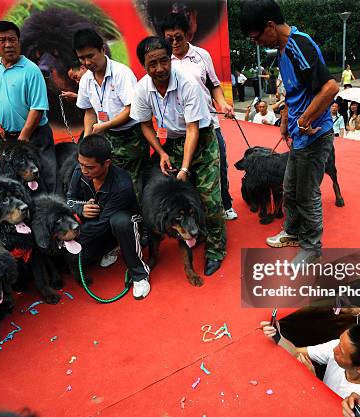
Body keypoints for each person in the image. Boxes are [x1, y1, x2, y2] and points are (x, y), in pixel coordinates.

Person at [241, 0, 339, 262]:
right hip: (298, 135)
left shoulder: (299, 46)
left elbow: (330, 88)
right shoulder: (283, 51)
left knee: (307, 193)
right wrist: (286, 120)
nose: (257, 43)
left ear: (270, 27)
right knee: (290, 188)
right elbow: (294, 92)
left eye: (256, 37)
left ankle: (311, 246)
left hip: (314, 136)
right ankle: (293, 232)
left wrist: (305, 120)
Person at [129, 36, 226, 276]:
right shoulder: (142, 89)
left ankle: (215, 249)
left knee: (208, 199)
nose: (160, 68)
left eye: (164, 61)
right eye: (153, 63)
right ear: (144, 65)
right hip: (171, 142)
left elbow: (193, 128)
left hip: (201, 141)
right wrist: (161, 152)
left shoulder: (188, 84)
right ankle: (193, 231)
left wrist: (184, 168)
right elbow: (145, 125)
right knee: (179, 199)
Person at [160, 12, 237, 221]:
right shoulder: (164, 61)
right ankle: (195, 213)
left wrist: (222, 103)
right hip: (180, 128)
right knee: (187, 174)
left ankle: (225, 203)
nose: (174, 43)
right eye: (169, 39)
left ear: (188, 35)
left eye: (178, 37)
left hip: (208, 123)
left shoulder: (202, 55)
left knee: (218, 167)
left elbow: (214, 85)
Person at [66, 134, 150, 300]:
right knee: (73, 259)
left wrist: (73, 237)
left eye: (90, 167)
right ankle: (112, 245)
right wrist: (80, 208)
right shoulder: (80, 170)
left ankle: (140, 274)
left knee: (120, 222)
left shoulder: (121, 185)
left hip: (124, 222)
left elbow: (103, 224)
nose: (84, 170)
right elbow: (68, 199)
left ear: (106, 163)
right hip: (96, 225)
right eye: (81, 164)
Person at [73, 28, 149, 198]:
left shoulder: (122, 74)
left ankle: (137, 220)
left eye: (90, 56)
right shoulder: (86, 79)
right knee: (107, 180)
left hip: (130, 137)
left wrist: (104, 126)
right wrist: (87, 137)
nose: (87, 62)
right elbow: (89, 111)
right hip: (104, 135)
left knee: (132, 184)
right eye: (82, 58)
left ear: (103, 49)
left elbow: (131, 109)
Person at [0, 20, 56, 193]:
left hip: (36, 136)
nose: (8, 45)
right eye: (2, 40)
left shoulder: (31, 70)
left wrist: (24, 138)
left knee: (47, 178)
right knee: (18, 182)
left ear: (19, 41)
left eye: (12, 39)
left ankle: (57, 213)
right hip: (9, 138)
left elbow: (37, 108)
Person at [261, 320, 360, 408]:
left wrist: (312, 382)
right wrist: (277, 336)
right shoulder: (339, 347)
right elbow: (296, 353)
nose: (334, 349)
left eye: (341, 351)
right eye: (339, 342)